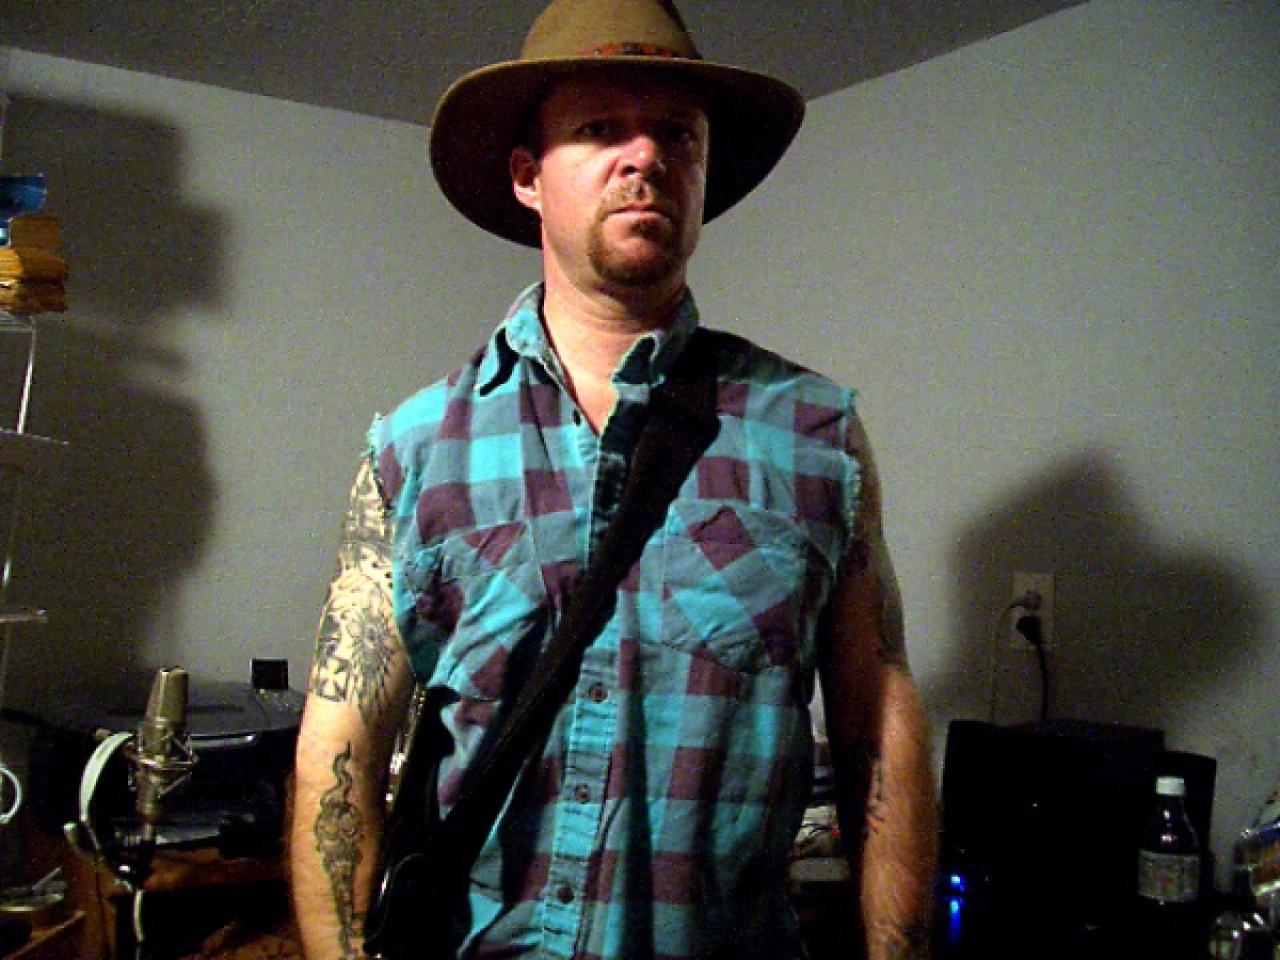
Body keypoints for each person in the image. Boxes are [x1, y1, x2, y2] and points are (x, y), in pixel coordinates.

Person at [290, 1, 938, 958]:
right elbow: (340, 747)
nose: (647, 156)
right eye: (600, 130)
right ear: (528, 177)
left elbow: (877, 724)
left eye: (678, 134)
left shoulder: (814, 437)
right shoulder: (415, 448)